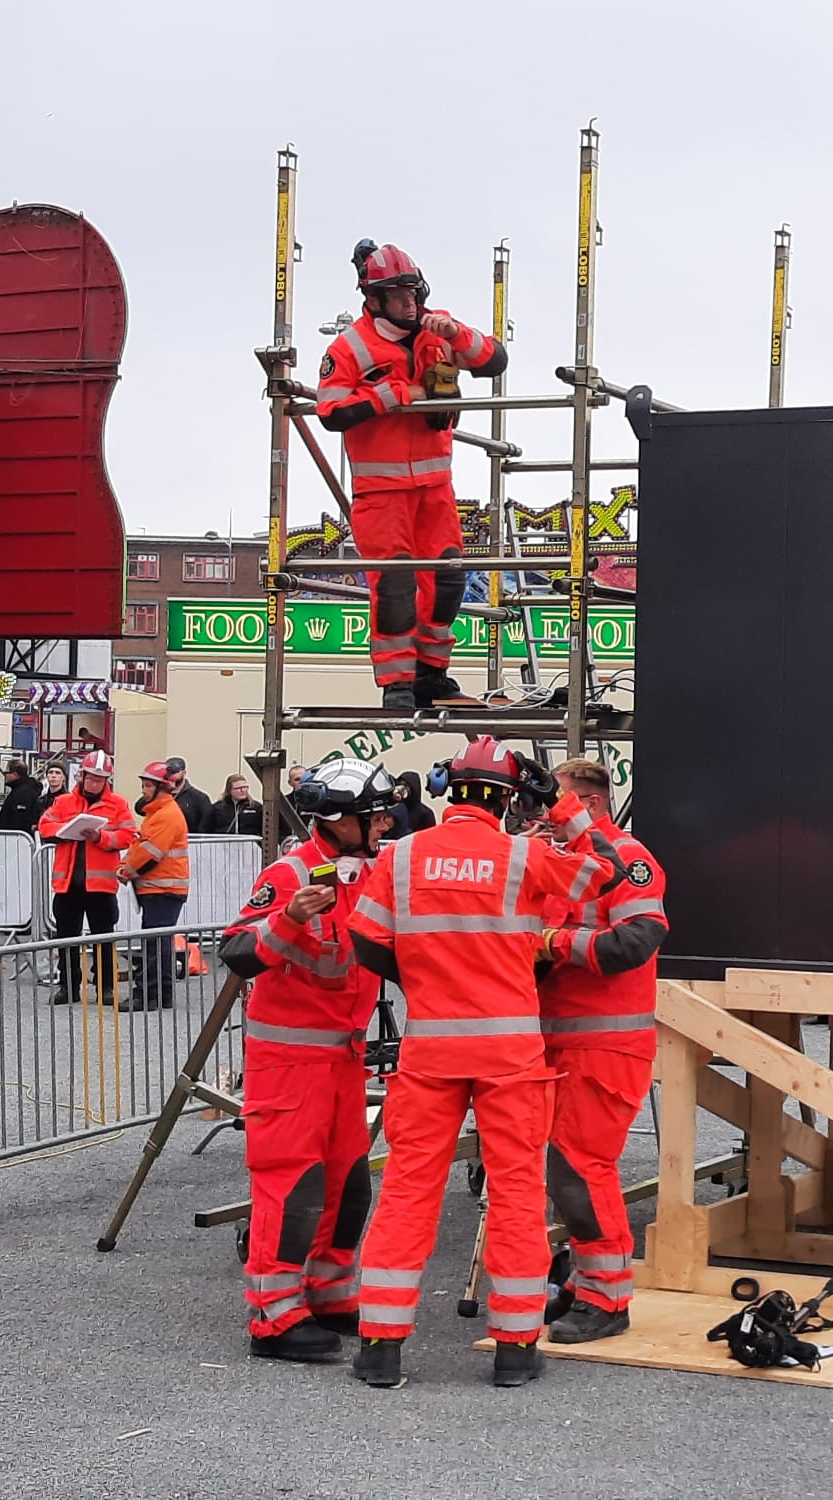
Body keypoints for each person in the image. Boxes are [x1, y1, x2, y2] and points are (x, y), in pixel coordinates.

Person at [346, 737, 608, 1390]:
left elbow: (366, 940)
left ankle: (381, 1346)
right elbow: (600, 866)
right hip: (511, 1054)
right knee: (517, 1193)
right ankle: (515, 1349)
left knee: (409, 1189)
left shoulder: (401, 858)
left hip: (431, 1047)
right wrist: (564, 805)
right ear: (508, 800)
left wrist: (425, 981)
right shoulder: (525, 856)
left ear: (449, 791)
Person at [219, 756, 397, 1364]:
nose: (383, 824)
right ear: (341, 819)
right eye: (373, 816)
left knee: (347, 1185)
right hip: (289, 1062)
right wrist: (289, 919)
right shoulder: (290, 872)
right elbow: (237, 951)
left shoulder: (369, 872)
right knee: (291, 1186)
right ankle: (274, 1315)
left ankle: (329, 1289)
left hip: (344, 1060)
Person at [316, 241, 508, 709]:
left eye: (412, 291)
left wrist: (458, 334)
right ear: (374, 298)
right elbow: (332, 411)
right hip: (381, 492)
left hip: (435, 486)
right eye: (399, 294)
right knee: (397, 586)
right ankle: (397, 683)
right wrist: (397, 394)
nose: (410, 301)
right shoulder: (351, 346)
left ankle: (431, 673)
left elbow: (494, 361)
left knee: (449, 578)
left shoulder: (436, 327)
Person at [536, 757, 669, 1343]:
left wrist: (553, 944)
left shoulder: (629, 861)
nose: (541, 820)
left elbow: (634, 944)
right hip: (558, 1040)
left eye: (553, 808)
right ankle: (585, 1282)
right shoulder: (560, 860)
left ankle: (606, 1298)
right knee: (562, 1172)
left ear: (586, 806)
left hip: (606, 1043)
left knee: (580, 1170)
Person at [37, 751, 138, 1006]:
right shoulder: (64, 802)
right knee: (66, 939)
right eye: (90, 778)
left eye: (99, 779)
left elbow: (128, 835)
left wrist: (100, 838)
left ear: (106, 780)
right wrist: (65, 832)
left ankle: (104, 988)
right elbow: (44, 826)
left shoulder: (118, 804)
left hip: (101, 887)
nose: (93, 783)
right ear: (82, 775)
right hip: (68, 884)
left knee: (103, 939)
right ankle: (68, 987)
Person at [118, 762, 192, 1011]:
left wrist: (127, 870)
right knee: (158, 944)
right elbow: (143, 848)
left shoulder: (165, 815)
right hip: (162, 889)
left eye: (148, 786)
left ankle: (148, 995)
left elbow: (150, 853)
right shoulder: (159, 814)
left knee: (154, 945)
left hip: (162, 890)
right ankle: (160, 994)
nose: (144, 790)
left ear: (162, 788)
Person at [165, 756, 215, 835]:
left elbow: (205, 826)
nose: (171, 776)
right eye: (168, 773)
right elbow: (140, 808)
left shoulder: (199, 798)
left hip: (188, 842)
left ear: (184, 773)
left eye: (174, 772)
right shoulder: (160, 794)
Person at [206, 774, 264, 838]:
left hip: (250, 845)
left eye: (245, 787)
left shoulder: (256, 807)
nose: (243, 790)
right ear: (229, 790)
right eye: (238, 788)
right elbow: (205, 828)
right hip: (223, 845)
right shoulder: (217, 808)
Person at [0, 760, 45, 833]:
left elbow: (19, 820)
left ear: (15, 774)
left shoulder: (22, 793)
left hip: (14, 839)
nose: (5, 775)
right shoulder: (24, 789)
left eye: (7, 773)